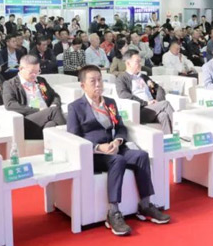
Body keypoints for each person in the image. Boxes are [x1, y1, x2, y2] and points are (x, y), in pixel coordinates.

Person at [68, 65, 170, 235]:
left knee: (141, 156)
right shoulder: (75, 107)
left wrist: (117, 141)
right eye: (93, 81)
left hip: (115, 147)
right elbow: (73, 136)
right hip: (94, 154)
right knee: (118, 160)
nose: (98, 84)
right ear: (83, 85)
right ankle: (113, 212)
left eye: (100, 80)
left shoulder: (110, 102)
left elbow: (121, 127)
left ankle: (145, 205)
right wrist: (97, 147)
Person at [2, 55, 65, 139]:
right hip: (29, 119)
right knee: (54, 111)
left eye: (37, 71)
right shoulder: (10, 84)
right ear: (21, 69)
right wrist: (38, 110)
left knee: (51, 125)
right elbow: (10, 104)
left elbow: (54, 95)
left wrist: (54, 104)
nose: (34, 75)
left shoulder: (40, 81)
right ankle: (72, 138)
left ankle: (50, 145)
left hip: (47, 116)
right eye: (31, 72)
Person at [116, 51, 175, 133]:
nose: (140, 64)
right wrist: (146, 103)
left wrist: (158, 102)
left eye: (140, 61)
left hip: (152, 108)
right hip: (140, 110)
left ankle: (169, 139)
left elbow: (159, 88)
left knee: (163, 115)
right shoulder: (122, 78)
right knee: (166, 104)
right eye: (137, 62)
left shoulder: (143, 77)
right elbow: (123, 95)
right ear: (128, 63)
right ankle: (181, 132)